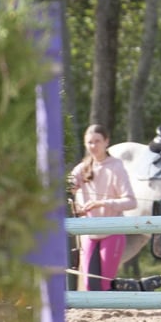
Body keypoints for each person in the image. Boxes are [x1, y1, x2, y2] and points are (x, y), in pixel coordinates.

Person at [69, 124, 137, 291]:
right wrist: (75, 201)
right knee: (89, 284)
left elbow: (131, 201)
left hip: (112, 230)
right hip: (89, 232)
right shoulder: (81, 168)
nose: (93, 146)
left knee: (105, 283)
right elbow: (69, 187)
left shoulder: (116, 166)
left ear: (106, 141)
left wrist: (103, 203)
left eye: (97, 141)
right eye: (89, 142)